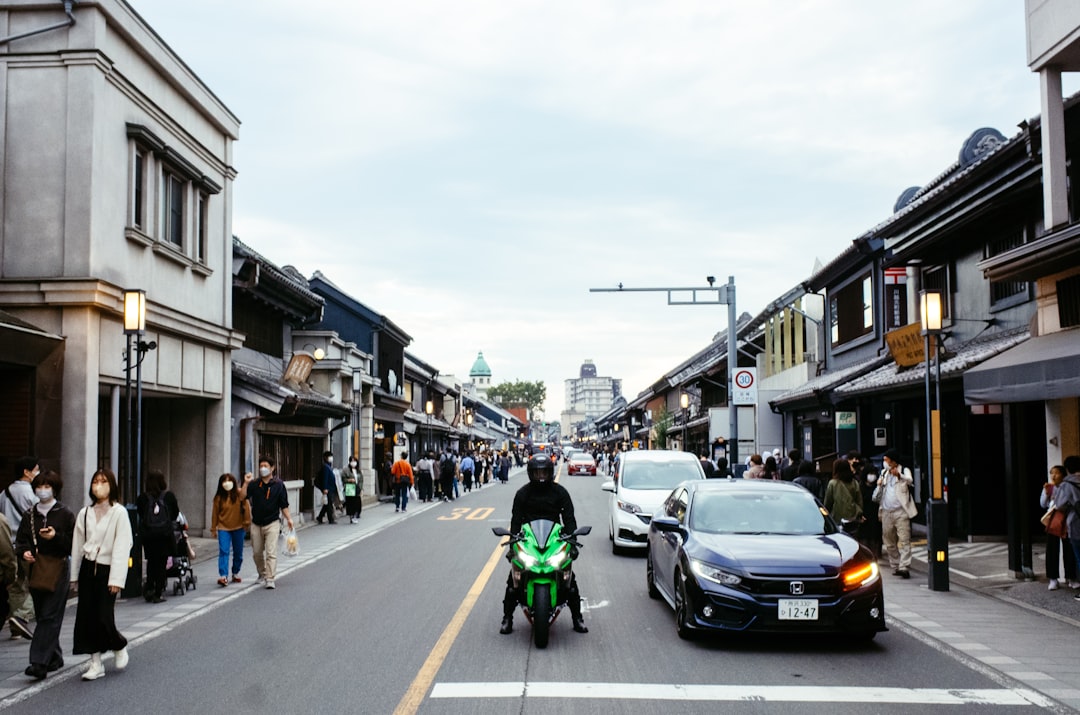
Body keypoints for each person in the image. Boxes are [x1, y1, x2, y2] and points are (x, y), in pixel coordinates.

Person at [500, 453, 588, 635]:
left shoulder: (560, 492)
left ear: (550, 473)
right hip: (529, 539)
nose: (541, 477)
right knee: (512, 582)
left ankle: (577, 618)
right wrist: (512, 546)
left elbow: (570, 520)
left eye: (544, 473)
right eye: (537, 473)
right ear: (531, 473)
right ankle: (507, 618)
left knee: (570, 582)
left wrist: (573, 543)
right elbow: (515, 521)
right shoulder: (522, 493)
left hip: (554, 539)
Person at [71, 468, 132, 681]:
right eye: (96, 481)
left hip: (107, 568)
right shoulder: (84, 513)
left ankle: (118, 645)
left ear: (112, 485)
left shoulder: (119, 512)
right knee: (86, 616)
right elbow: (77, 544)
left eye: (104, 481)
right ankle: (95, 662)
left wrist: (117, 578)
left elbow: (122, 546)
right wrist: (74, 576)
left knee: (104, 615)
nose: (99, 485)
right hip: (88, 568)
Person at [14, 470, 74, 680]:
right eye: (39, 486)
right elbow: (20, 540)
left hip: (58, 567)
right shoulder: (29, 515)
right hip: (37, 569)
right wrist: (24, 551)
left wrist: (55, 536)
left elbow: (72, 545)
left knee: (49, 615)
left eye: (47, 486)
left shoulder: (65, 514)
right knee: (43, 614)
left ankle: (39, 662)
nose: (42, 490)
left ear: (55, 489)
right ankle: (54, 657)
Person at [241, 457, 294, 590]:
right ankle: (262, 573)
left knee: (271, 552)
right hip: (256, 523)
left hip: (272, 522)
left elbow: (284, 504)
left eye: (265, 465)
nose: (262, 468)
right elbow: (242, 497)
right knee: (257, 552)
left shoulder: (278, 485)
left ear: (272, 468)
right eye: (261, 466)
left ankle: (270, 578)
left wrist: (289, 518)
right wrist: (246, 483)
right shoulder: (254, 484)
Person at [1, 456, 38, 640]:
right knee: (34, 583)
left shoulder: (4, 493)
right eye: (36, 469)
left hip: (9, 544)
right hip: (27, 546)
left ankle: (16, 626)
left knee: (16, 585)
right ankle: (21, 617)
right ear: (27, 471)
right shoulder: (31, 493)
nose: (37, 473)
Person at [136, 471, 180, 603]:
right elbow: (174, 514)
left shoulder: (142, 498)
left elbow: (141, 514)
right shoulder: (169, 496)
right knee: (161, 563)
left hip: (149, 536)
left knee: (151, 562)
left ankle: (149, 588)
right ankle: (158, 592)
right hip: (164, 535)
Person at [877, 449, 917, 579]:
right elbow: (879, 491)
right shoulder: (884, 472)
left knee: (904, 539)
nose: (885, 463)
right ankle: (895, 564)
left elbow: (910, 481)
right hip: (886, 511)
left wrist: (899, 476)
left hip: (901, 511)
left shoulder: (904, 470)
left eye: (886, 460)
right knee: (888, 540)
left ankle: (904, 566)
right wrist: (879, 484)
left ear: (893, 461)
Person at [1041, 465, 1077, 590]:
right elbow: (1042, 504)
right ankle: (1052, 579)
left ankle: (1071, 577)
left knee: (1069, 549)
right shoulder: (1049, 487)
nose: (1053, 476)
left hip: (1066, 520)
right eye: (1051, 473)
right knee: (1052, 549)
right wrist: (1046, 494)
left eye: (1056, 473)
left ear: (1063, 474)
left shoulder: (1067, 487)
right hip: (1054, 521)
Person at [1049, 455, 1080, 601]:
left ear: (1066, 469)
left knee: (1078, 557)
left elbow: (1060, 504)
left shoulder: (1066, 485)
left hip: (1075, 525)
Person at [210, 473, 249, 587]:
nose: (227, 484)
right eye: (224, 481)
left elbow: (246, 506)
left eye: (229, 481)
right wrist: (213, 529)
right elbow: (214, 514)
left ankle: (235, 572)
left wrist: (246, 522)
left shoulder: (239, 494)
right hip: (223, 528)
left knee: (238, 552)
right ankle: (223, 576)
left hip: (239, 527)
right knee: (224, 551)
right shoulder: (218, 498)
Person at [849, 451, 882, 558]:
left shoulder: (878, 487)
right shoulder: (860, 487)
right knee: (864, 537)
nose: (872, 476)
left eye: (873, 473)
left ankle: (875, 555)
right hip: (864, 515)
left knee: (875, 536)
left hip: (876, 515)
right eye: (870, 473)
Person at [823, 459, 863, 527]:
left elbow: (828, 502)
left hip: (837, 518)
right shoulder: (854, 483)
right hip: (852, 518)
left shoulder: (832, 483)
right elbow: (859, 501)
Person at [316, 450, 338, 525]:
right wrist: (325, 488)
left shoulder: (329, 466)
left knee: (327, 504)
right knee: (328, 504)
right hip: (328, 489)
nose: (331, 458)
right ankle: (330, 519)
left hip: (330, 488)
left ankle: (320, 517)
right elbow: (325, 478)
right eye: (329, 457)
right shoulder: (326, 467)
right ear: (325, 458)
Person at [342, 457, 364, 523]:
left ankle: (356, 514)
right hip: (350, 487)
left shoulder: (358, 470)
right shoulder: (346, 470)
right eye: (351, 461)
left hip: (357, 487)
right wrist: (349, 480)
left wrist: (361, 488)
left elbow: (361, 480)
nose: (353, 462)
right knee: (350, 502)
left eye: (354, 461)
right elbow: (343, 479)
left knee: (357, 502)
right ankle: (351, 516)